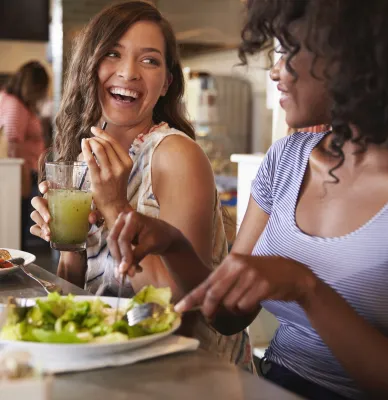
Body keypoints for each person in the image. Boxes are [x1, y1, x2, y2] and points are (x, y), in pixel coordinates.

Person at [106, 0, 388, 399]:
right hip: (271, 383)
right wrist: (173, 244)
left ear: (353, 56)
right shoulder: (287, 159)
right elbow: (226, 317)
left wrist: (306, 289)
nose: (275, 71)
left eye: (290, 50)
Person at [30, 1, 252, 371]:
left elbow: (179, 310)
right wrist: (68, 242)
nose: (129, 72)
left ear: (166, 83)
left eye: (149, 60)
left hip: (191, 371)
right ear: (91, 66)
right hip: (115, 361)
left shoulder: (176, 155)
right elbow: (81, 293)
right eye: (113, 54)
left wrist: (116, 206)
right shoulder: (86, 156)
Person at [0, 61, 49, 250]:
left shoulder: (14, 101)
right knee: (19, 227)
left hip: (25, 172)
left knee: (20, 226)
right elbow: (13, 146)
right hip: (22, 174)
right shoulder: (15, 104)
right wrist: (23, 182)